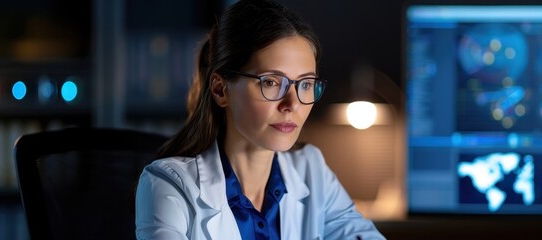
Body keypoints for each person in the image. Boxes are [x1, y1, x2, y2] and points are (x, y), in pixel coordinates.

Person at [134, 0, 385, 239]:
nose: (292, 104)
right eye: (271, 82)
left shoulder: (311, 168)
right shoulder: (168, 186)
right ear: (221, 90)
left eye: (306, 84)